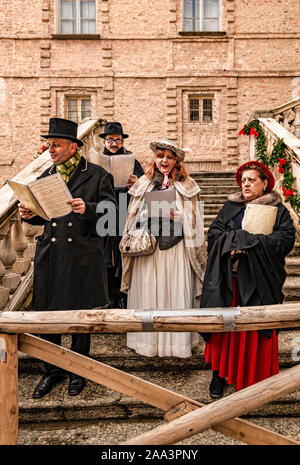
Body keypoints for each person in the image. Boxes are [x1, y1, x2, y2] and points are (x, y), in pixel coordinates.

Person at [19, 118, 116, 398]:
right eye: (49, 145)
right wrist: (31, 215)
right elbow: (44, 218)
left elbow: (112, 217)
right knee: (50, 316)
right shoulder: (45, 176)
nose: (50, 150)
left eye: (56, 145)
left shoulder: (97, 175)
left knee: (79, 318)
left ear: (73, 147)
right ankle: (52, 371)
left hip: (82, 256)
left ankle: (78, 371)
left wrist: (88, 208)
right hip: (52, 255)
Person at [201, 160, 295, 398]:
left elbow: (284, 241)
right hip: (230, 280)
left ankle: (253, 378)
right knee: (224, 328)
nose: (246, 184)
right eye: (243, 180)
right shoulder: (230, 207)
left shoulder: (279, 211)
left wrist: (249, 243)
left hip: (259, 282)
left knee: (253, 330)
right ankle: (219, 374)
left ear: (265, 183)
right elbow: (214, 234)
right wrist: (235, 242)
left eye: (251, 180)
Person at [121, 139, 207, 358]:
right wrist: (145, 214)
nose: (164, 161)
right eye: (160, 156)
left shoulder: (187, 184)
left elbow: (195, 218)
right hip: (149, 249)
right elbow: (131, 216)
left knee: (174, 292)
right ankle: (148, 343)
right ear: (155, 159)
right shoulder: (144, 182)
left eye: (169, 157)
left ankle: (176, 344)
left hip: (176, 249)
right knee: (149, 292)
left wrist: (177, 216)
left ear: (176, 160)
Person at [99, 121, 144, 309]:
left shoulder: (132, 161)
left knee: (124, 250)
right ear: (104, 141)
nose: (114, 144)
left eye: (117, 140)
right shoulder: (97, 161)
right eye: (110, 140)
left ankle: (125, 294)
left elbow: (145, 185)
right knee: (107, 253)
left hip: (126, 207)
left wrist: (137, 182)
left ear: (122, 141)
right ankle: (110, 297)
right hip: (105, 209)